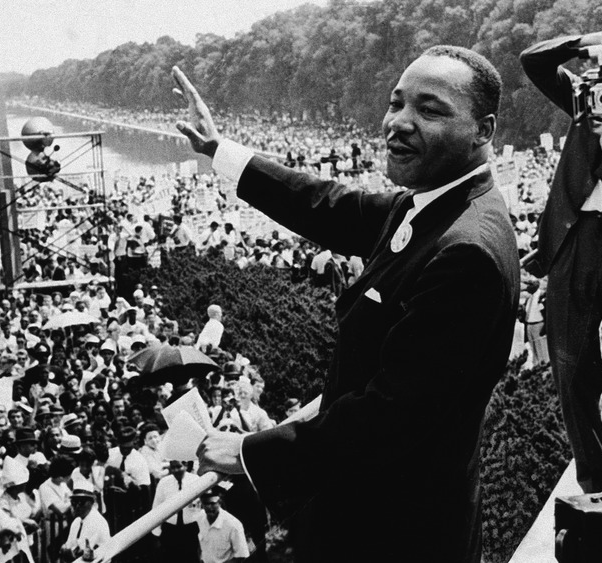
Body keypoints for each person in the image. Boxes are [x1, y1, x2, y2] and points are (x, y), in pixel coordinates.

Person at [175, 43, 519, 562]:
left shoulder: (465, 250)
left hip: (395, 532)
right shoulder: (431, 204)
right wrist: (219, 150)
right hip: (381, 514)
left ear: (484, 131)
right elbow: (326, 205)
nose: (399, 122)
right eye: (395, 102)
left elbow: (388, 416)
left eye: (429, 110)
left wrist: (249, 452)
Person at [520, 30, 602, 493]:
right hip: (575, 238)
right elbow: (533, 61)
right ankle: (594, 475)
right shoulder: (589, 96)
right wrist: (594, 41)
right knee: (572, 367)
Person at [151, 461, 200, 563]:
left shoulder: (196, 480)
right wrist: (156, 533)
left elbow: (202, 507)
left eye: (179, 467)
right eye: (173, 467)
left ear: (186, 466)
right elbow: (156, 508)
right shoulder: (164, 483)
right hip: (170, 530)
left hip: (191, 529)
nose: (175, 470)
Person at [195, 488, 249, 563]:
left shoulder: (233, 524)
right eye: (205, 503)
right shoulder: (198, 519)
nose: (209, 507)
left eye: (212, 503)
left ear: (220, 502)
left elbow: (241, 556)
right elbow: (198, 546)